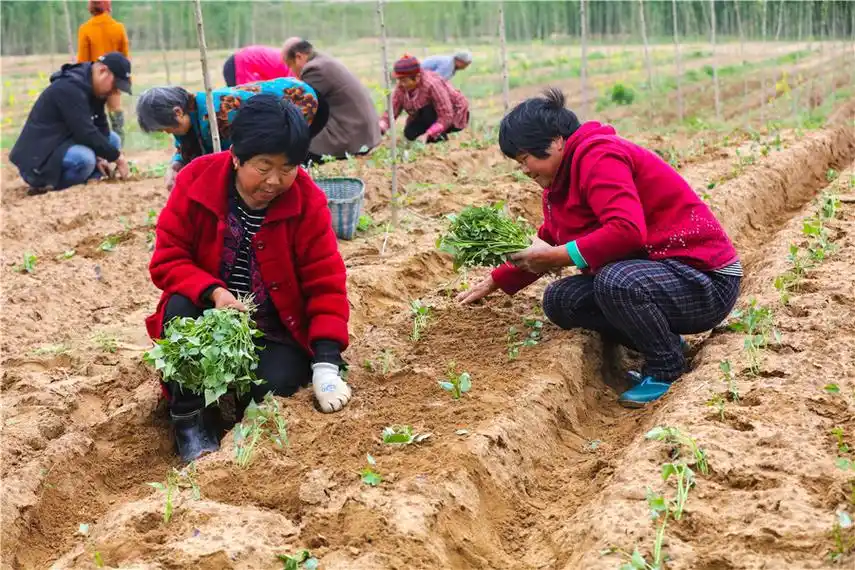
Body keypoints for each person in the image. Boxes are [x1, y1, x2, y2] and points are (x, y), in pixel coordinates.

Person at [458, 89, 742, 408]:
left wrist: (557, 258)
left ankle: (666, 368)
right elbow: (550, 236)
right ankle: (664, 342)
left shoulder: (599, 156)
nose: (524, 169)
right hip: (662, 275)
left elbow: (627, 231)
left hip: (704, 279)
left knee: (615, 281)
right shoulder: (560, 181)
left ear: (554, 141)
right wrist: (500, 279)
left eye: (525, 159)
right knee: (561, 301)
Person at [146, 94, 353, 462]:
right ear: (237, 156)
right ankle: (191, 415)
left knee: (275, 386)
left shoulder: (308, 202)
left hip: (273, 326)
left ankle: (243, 403)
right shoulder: (197, 180)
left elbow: (326, 282)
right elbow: (167, 258)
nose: (274, 180)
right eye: (263, 166)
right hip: (208, 312)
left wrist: (326, 363)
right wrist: (213, 292)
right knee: (180, 313)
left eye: (288, 168)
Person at [136, 77, 322, 191]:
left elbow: (232, 159)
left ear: (178, 112)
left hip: (299, 98)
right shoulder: (186, 118)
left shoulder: (217, 117)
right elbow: (184, 147)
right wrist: (175, 166)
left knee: (277, 154)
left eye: (167, 128)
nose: (168, 132)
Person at [10, 52, 132, 196]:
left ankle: (91, 181)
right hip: (42, 156)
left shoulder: (95, 87)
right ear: (102, 71)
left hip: (65, 140)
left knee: (113, 140)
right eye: (115, 84)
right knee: (84, 159)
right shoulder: (69, 87)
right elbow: (85, 133)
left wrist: (103, 156)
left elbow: (100, 124)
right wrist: (118, 158)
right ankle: (49, 186)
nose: (116, 91)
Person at [282, 37, 381, 163]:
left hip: (349, 135)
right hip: (362, 132)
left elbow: (300, 108)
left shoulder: (314, 69)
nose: (291, 70)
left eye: (289, 64)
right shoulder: (323, 61)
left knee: (292, 148)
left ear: (299, 57)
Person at [378, 54, 470, 144]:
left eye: (404, 81)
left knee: (427, 111)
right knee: (410, 133)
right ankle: (431, 136)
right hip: (426, 114)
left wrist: (427, 134)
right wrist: (381, 127)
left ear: (417, 78)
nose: (401, 84)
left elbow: (446, 115)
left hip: (452, 113)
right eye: (399, 80)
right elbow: (392, 111)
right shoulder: (401, 88)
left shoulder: (432, 84)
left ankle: (439, 137)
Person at [77, 0, 129, 142]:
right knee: (116, 110)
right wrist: (125, 79)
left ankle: (98, 146)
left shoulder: (85, 29)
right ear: (108, 6)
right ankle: (119, 147)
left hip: (94, 80)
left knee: (94, 114)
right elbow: (124, 57)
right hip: (115, 79)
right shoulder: (118, 28)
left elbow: (83, 61)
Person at [223, 45, 293, 87]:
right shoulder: (292, 69)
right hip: (241, 64)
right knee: (246, 101)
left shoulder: (289, 60)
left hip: (240, 61)